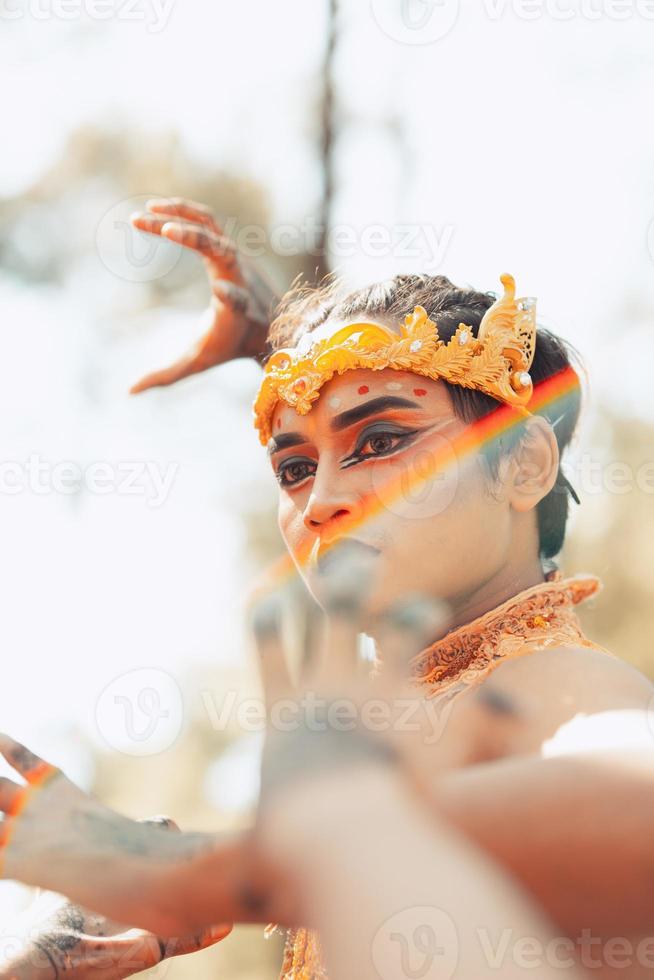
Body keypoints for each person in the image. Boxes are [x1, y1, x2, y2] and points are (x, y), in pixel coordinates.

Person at [1, 198, 653, 980]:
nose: (321, 504)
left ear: (523, 465)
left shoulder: (546, 681)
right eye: (293, 469)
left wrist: (198, 870)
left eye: (380, 441)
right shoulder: (412, 719)